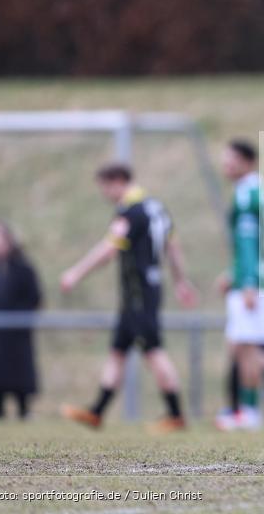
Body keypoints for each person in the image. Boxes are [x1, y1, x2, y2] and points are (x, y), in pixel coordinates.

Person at [60, 163, 197, 432]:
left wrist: (76, 273)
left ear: (118, 181)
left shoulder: (130, 212)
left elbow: (109, 249)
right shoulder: (156, 207)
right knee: (117, 351)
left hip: (139, 294)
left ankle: (176, 414)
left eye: (105, 187)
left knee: (154, 351)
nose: (104, 194)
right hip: (146, 290)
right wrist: (181, 280)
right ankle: (96, 411)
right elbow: (173, 245)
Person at [215, 139, 264, 431]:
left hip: (254, 282)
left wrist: (247, 282)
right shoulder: (258, 191)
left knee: (245, 346)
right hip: (260, 277)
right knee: (241, 344)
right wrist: (232, 272)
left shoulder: (247, 195)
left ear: (247, 162)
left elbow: (249, 243)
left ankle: (249, 410)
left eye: (231, 159)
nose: (225, 165)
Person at [0, 223, 42, 419]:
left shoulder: (23, 269)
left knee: (19, 370)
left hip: (17, 334)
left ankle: (23, 409)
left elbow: (33, 296)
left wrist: (19, 316)